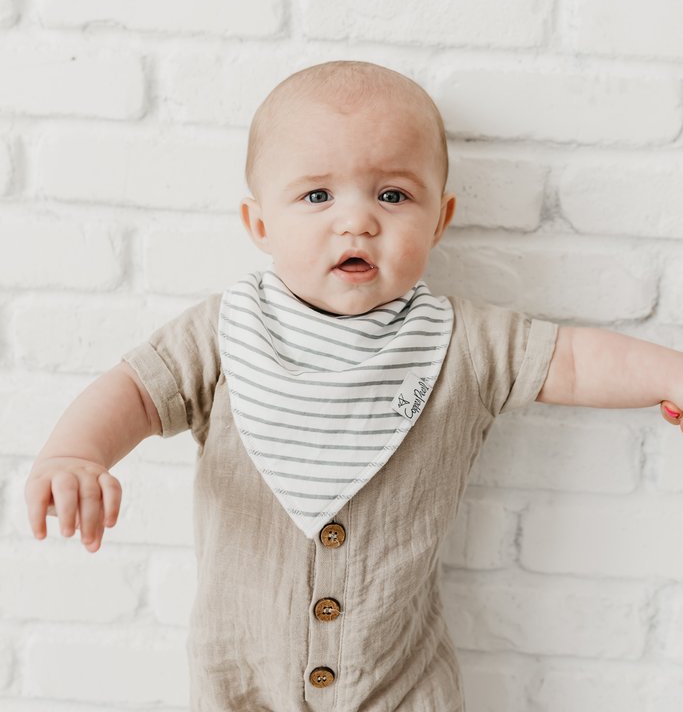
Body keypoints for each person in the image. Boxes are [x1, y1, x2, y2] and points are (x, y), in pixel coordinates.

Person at [24, 60, 683, 712]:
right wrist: (76, 454)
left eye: (391, 195)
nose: (357, 221)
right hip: (242, 678)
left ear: (439, 218)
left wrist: (668, 372)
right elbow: (138, 389)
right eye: (317, 196)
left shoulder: (461, 341)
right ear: (259, 225)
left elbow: (568, 361)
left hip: (397, 679)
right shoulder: (226, 331)